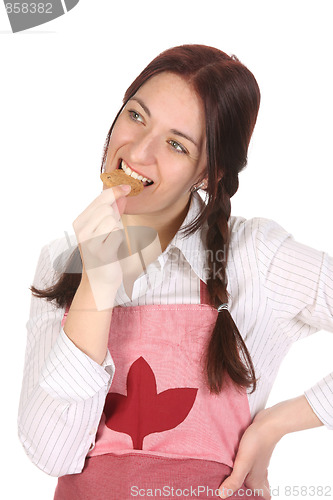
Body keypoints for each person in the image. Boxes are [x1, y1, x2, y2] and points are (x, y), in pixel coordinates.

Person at [18, 45, 333, 500]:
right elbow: (53, 456)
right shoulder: (61, 259)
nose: (139, 152)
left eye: (176, 144)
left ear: (210, 173)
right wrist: (97, 286)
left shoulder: (256, 256)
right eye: (137, 116)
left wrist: (278, 423)